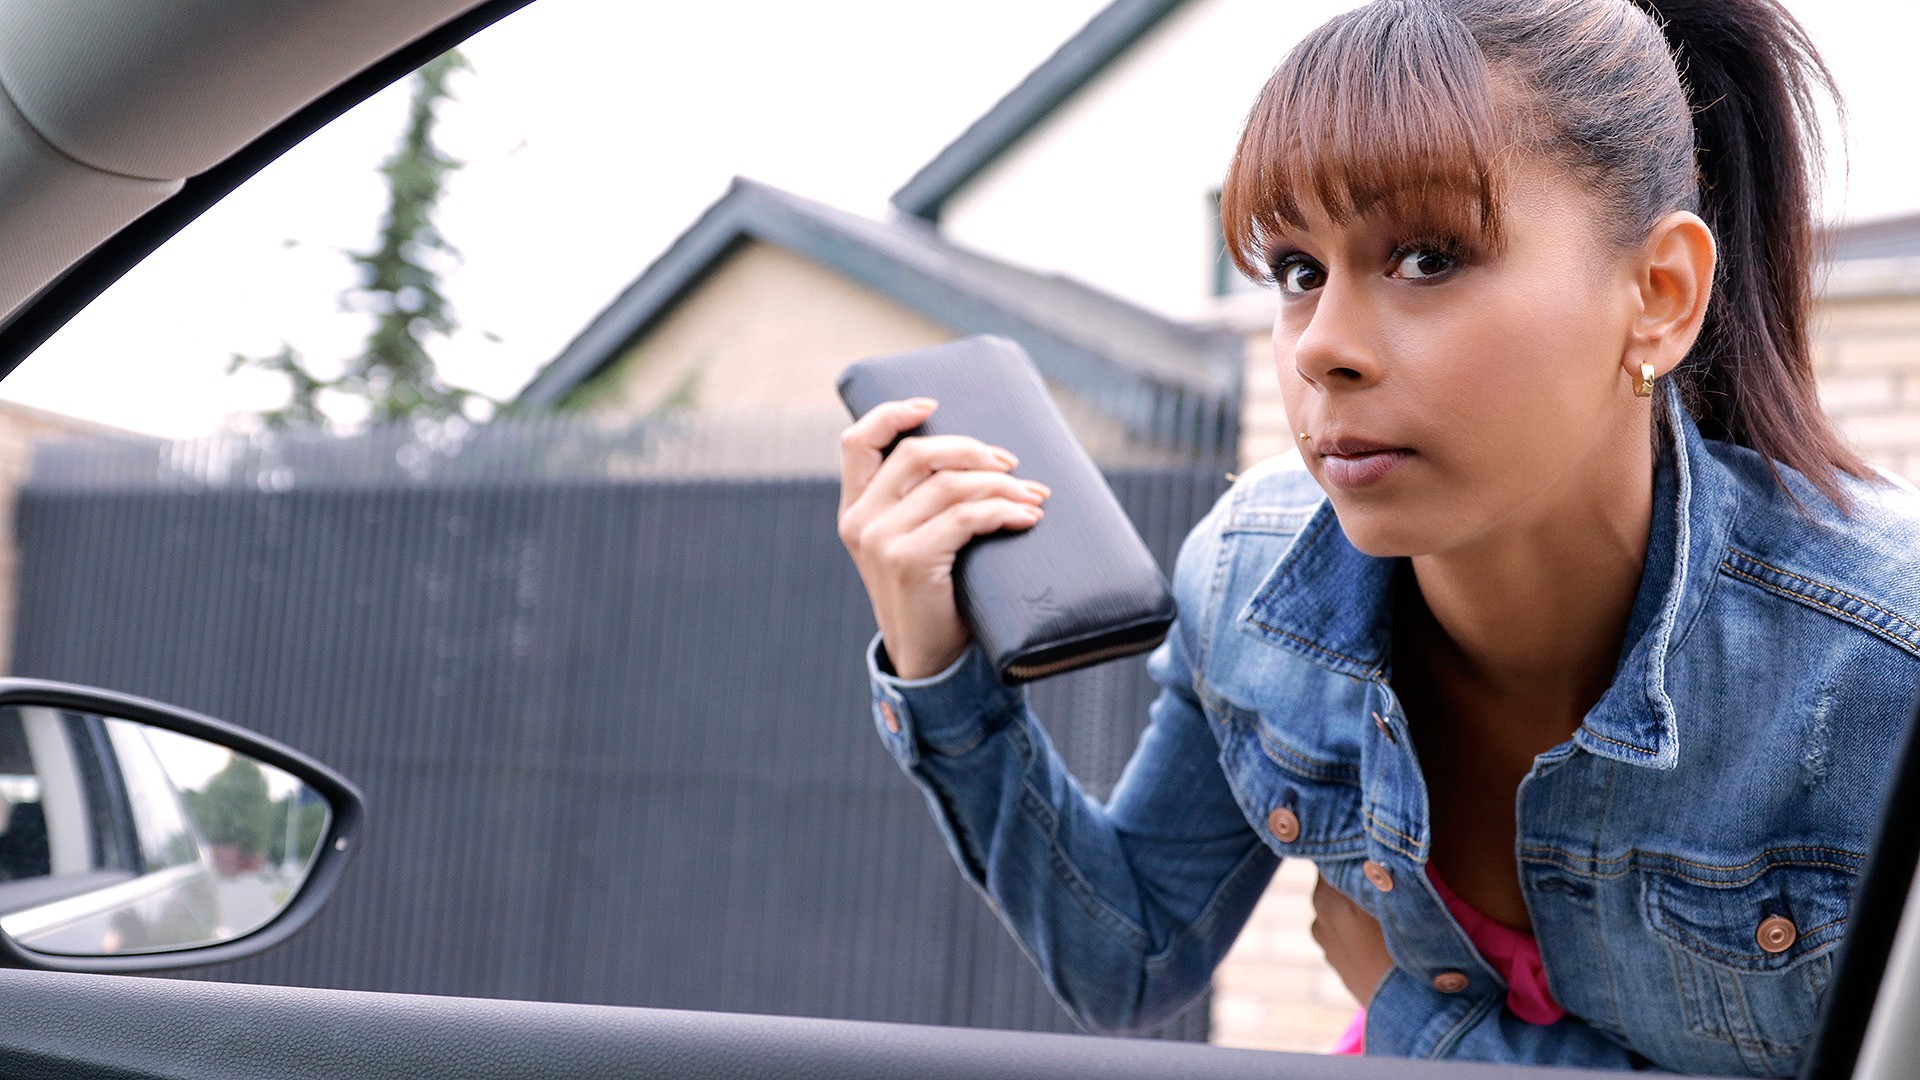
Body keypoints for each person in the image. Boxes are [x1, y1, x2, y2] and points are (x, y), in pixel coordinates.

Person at [833, 0, 1920, 1073]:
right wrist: (939, 670)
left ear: (1660, 294)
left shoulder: (1882, 672)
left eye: (1427, 259)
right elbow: (1130, 956)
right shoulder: (1249, 576)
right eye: (1298, 272)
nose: (1322, 347)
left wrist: (1426, 1027)